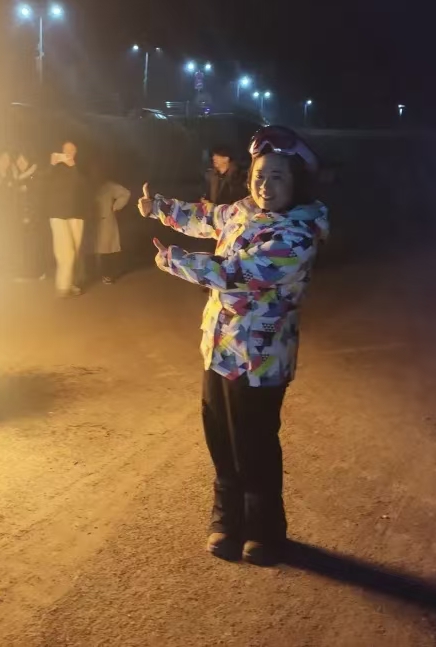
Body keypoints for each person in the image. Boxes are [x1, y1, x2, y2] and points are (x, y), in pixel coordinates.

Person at [138, 125, 329, 566]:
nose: (266, 184)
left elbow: (236, 273)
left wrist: (174, 260)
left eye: (279, 176)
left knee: (255, 441)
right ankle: (227, 519)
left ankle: (264, 529)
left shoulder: (297, 235)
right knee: (219, 435)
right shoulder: (243, 211)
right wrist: (160, 208)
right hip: (219, 347)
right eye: (261, 174)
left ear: (297, 182)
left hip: (262, 359)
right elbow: (207, 217)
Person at [46, 141, 90, 298]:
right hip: (58, 214)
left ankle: (72, 283)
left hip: (77, 214)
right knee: (65, 252)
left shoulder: (80, 167)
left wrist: (73, 167)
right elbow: (44, 184)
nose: (68, 152)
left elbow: (85, 187)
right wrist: (51, 165)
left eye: (71, 150)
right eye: (65, 150)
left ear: (76, 151)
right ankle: (63, 285)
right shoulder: (56, 168)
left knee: (75, 252)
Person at [11, 152, 46, 282]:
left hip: (34, 219)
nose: (21, 164)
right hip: (23, 219)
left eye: (23, 161)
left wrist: (30, 216)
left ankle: (35, 272)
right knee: (26, 246)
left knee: (33, 246)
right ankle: (30, 271)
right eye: (18, 161)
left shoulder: (34, 176)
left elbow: (36, 199)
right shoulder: (18, 178)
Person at [94, 178, 131, 285]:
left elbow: (125, 193)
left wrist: (115, 207)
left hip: (105, 221)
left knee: (106, 248)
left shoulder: (108, 186)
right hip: (91, 221)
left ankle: (106, 274)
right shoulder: (89, 185)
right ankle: (95, 273)